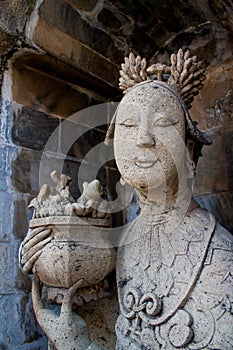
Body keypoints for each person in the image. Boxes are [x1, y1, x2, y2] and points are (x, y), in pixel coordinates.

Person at [19, 50, 233, 349]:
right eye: (128, 126)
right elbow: (117, 332)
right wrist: (50, 268)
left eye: (164, 123)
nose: (143, 138)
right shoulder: (119, 241)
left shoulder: (220, 260)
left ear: (189, 150)